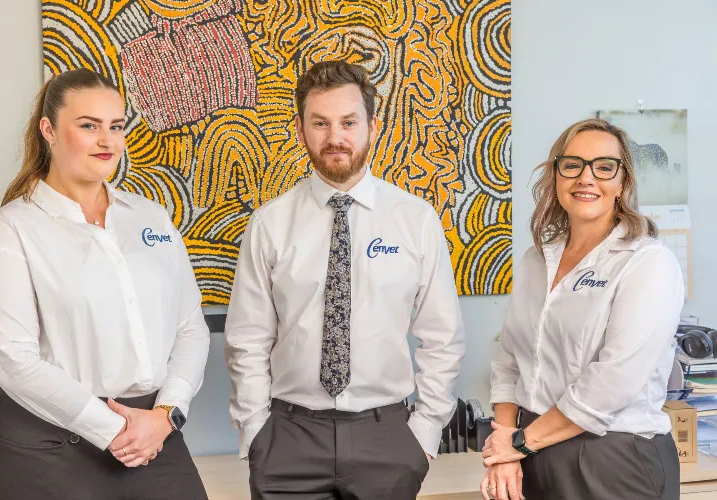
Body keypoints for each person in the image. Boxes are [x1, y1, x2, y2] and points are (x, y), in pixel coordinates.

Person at [224, 60, 466, 499]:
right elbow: (247, 338)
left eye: (348, 122)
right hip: (288, 439)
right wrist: (256, 431)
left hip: (387, 438)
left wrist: (425, 433)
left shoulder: (415, 220)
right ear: (300, 128)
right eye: (321, 123)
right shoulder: (270, 223)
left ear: (372, 125)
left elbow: (442, 337)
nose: (335, 137)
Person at [0, 68, 210, 500]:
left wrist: (167, 414)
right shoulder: (12, 230)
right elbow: (14, 361)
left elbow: (190, 328)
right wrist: (115, 429)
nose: (107, 140)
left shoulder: (151, 219)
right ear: (49, 130)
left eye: (116, 127)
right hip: (48, 442)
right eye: (88, 126)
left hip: (154, 433)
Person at [481, 118, 683, 500]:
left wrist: (519, 443)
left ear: (623, 182)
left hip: (612, 459)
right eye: (572, 165)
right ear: (556, 176)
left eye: (604, 167)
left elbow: (612, 382)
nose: (586, 178)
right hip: (532, 452)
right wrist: (505, 439)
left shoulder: (648, 263)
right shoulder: (534, 260)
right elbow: (508, 360)